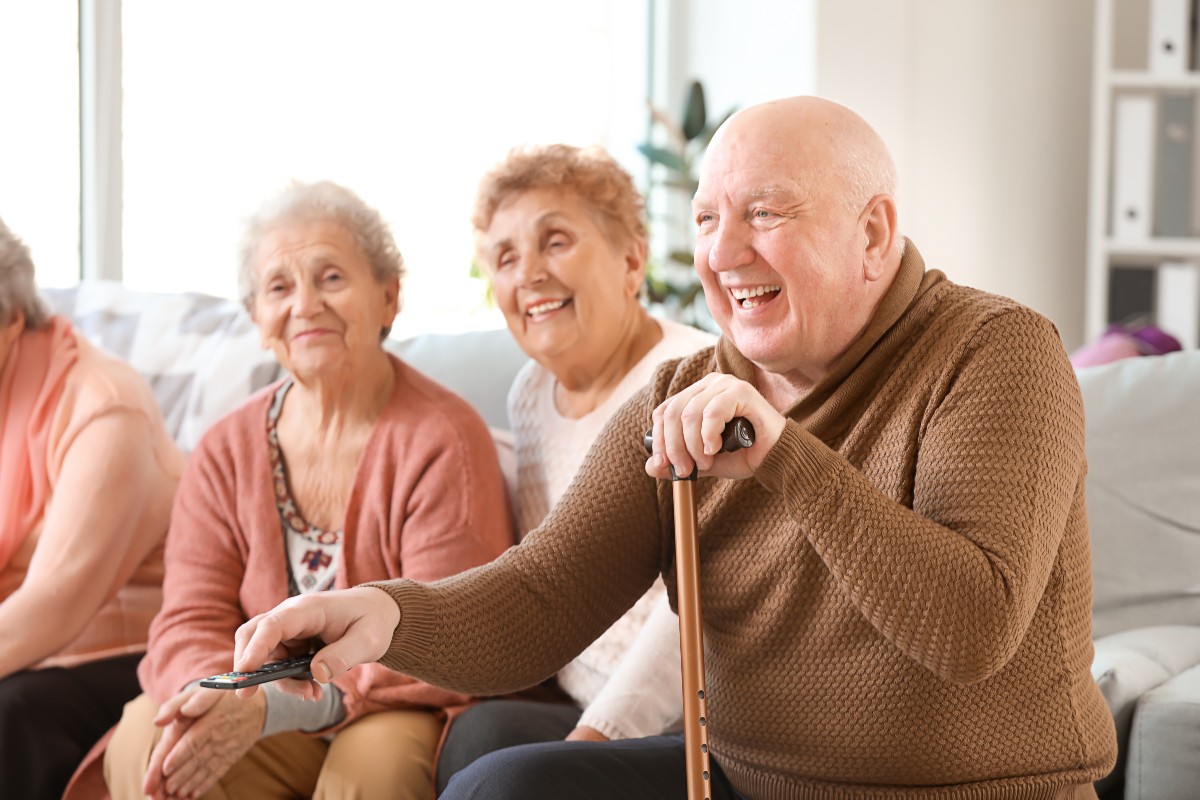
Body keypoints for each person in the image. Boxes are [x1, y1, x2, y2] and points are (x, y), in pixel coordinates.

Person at [233, 97, 1120, 799]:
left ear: (874, 235)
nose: (723, 253)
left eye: (765, 213)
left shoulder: (998, 353)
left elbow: (969, 628)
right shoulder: (682, 390)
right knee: (501, 785)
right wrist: (382, 617)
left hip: (966, 794)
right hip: (742, 779)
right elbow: (546, 594)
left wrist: (782, 454)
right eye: (705, 220)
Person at [102, 181, 513, 800]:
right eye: (279, 287)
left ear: (388, 297)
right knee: (148, 739)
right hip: (253, 703)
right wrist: (210, 699)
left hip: (391, 704)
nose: (305, 305)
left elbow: (451, 636)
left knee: (370, 772)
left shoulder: (443, 439)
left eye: (331, 278)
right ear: (257, 320)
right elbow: (190, 616)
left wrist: (275, 706)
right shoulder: (224, 448)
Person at [434, 144, 715, 792]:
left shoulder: (697, 379)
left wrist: (594, 739)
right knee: (473, 736)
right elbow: (550, 580)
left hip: (700, 711)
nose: (528, 272)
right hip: (581, 700)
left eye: (554, 240)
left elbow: (695, 609)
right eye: (505, 257)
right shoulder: (530, 396)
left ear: (631, 260)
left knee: (509, 775)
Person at [0, 219, 183, 799]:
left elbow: (53, 604)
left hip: (131, 649)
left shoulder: (104, 408)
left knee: (10, 712)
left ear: (7, 324)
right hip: (30, 649)